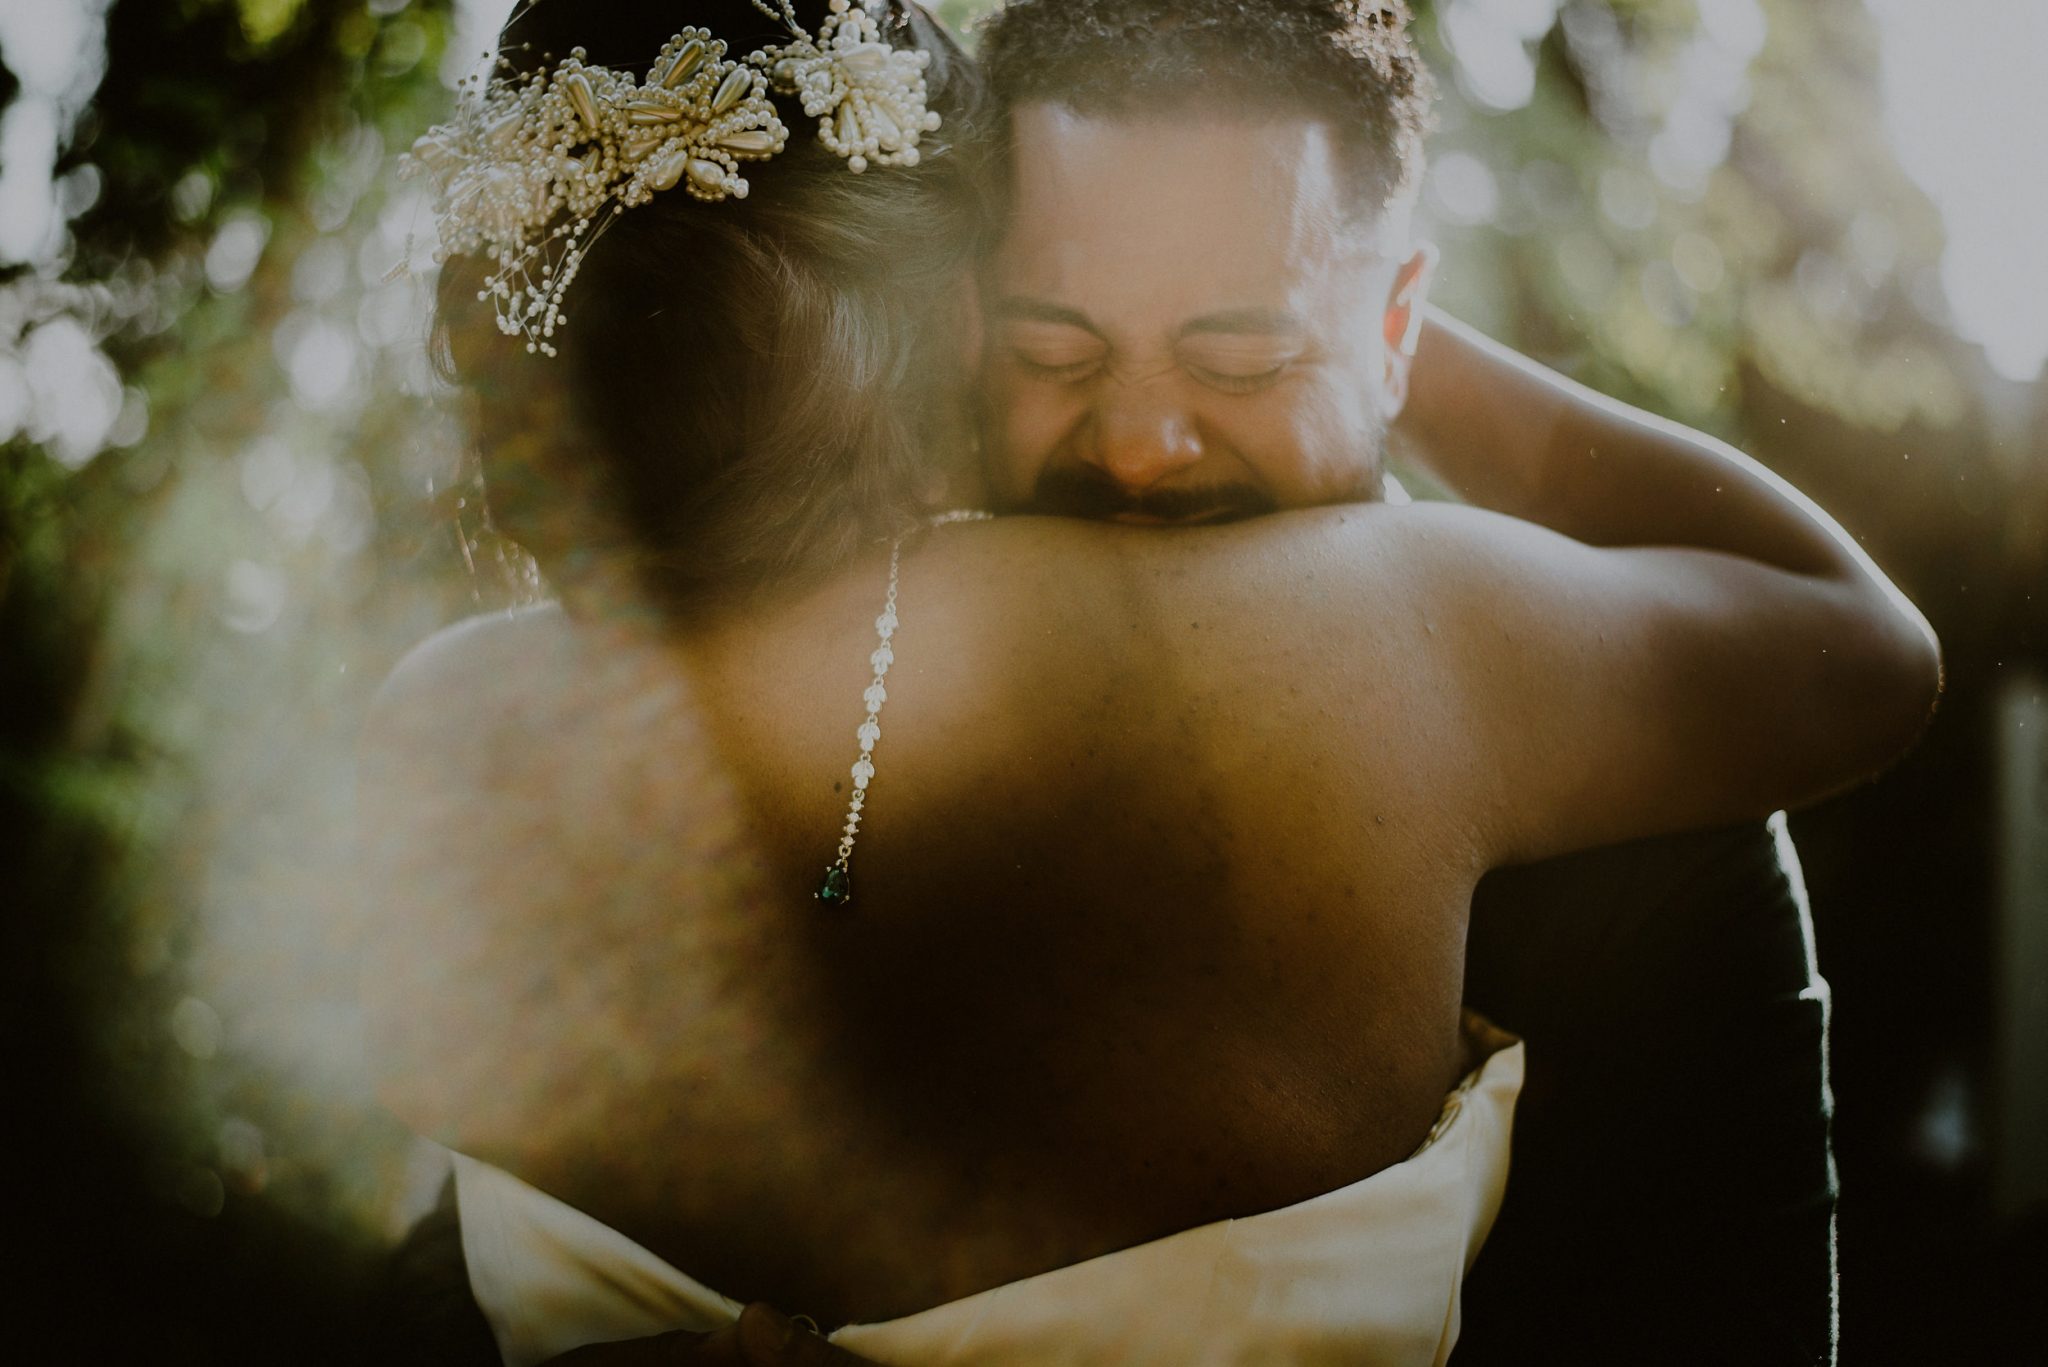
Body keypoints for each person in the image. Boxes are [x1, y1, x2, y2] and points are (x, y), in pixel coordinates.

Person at [359, 1, 1935, 1363]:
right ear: (954, 325)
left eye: (1241, 362)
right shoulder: (1432, 643)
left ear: (1396, 321)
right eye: (1052, 353)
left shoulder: (1650, 820)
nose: (1138, 445)